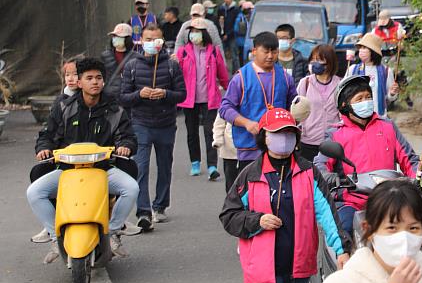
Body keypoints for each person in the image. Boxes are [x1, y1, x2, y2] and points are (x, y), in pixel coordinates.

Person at [220, 107, 349, 283]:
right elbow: (229, 215)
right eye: (278, 133)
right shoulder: (249, 175)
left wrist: (341, 249)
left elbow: (328, 213)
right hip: (262, 266)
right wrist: (257, 221)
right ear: (264, 136)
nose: (284, 138)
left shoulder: (309, 172)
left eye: (289, 133)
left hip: (299, 264)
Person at [28, 57, 140, 262]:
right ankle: (55, 236)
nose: (95, 82)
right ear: (79, 82)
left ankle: (113, 231)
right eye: (89, 78)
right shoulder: (63, 108)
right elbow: (47, 135)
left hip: (103, 170)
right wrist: (44, 149)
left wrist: (126, 146)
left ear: (103, 82)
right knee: (35, 192)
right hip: (67, 171)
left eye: (99, 78)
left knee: (131, 188)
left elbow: (128, 136)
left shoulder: (115, 110)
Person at [313, 75, 420, 233]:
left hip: (388, 198)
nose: (366, 101)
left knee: (412, 230)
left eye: (368, 97)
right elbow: (320, 165)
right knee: (345, 228)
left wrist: (420, 177)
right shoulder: (335, 134)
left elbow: (409, 159)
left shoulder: (388, 127)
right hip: (351, 201)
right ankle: (344, 257)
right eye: (359, 99)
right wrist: (330, 177)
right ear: (345, 105)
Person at [119, 24, 186, 231]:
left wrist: (165, 94)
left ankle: (160, 206)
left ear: (162, 41)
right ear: (141, 40)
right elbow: (123, 97)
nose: (152, 44)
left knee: (165, 166)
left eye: (156, 40)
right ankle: (143, 212)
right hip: (140, 124)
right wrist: (140, 94)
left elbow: (182, 94)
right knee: (141, 167)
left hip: (166, 124)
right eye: (148, 39)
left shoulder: (173, 66)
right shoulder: (131, 66)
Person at [219, 31, 298, 190]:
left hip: (280, 147)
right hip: (250, 146)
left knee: (279, 192)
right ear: (254, 51)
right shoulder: (241, 77)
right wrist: (246, 123)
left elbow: (294, 105)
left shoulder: (284, 76)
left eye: (274, 52)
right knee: (251, 191)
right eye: (266, 51)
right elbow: (225, 108)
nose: (270, 56)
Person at [29, 54, 83, 244]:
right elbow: (48, 131)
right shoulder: (59, 102)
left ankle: (117, 225)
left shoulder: (95, 100)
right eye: (67, 74)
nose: (71, 78)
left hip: (90, 158)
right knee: (39, 172)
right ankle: (52, 225)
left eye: (75, 74)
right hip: (64, 159)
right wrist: (44, 148)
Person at [175, 18, 230, 180]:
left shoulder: (213, 52)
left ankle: (212, 166)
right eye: (192, 32)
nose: (194, 35)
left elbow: (223, 74)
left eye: (197, 32)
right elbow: (176, 74)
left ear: (205, 34)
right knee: (191, 132)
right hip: (189, 99)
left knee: (210, 132)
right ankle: (195, 162)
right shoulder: (183, 52)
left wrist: (231, 92)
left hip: (210, 98)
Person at [296, 44, 341, 161]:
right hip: (308, 140)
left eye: (320, 60)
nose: (315, 63)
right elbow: (297, 112)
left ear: (330, 62)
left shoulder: (340, 84)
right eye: (313, 59)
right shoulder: (305, 83)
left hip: (333, 142)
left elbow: (342, 115)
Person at [344, 33, 398, 118]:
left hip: (379, 117)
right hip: (357, 118)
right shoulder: (353, 69)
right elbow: (343, 92)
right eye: (360, 48)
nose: (361, 50)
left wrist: (392, 93)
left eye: (365, 48)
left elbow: (391, 98)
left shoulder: (386, 71)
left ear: (373, 51)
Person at [101, 23, 136, 102]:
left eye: (119, 37)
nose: (115, 38)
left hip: (128, 96)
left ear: (128, 39)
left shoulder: (136, 57)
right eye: (114, 36)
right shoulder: (105, 56)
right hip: (109, 97)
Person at [212, 114, 238, 191]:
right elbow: (218, 125)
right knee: (230, 183)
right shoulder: (226, 105)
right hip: (229, 152)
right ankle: (231, 201)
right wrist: (218, 140)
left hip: (249, 152)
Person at [218, 0, 241, 72]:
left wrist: (228, 34)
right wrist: (222, 34)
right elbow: (219, 21)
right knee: (221, 54)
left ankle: (236, 72)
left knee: (234, 55)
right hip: (222, 34)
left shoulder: (236, 9)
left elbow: (236, 24)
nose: (227, 0)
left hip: (232, 35)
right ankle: (223, 71)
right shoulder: (221, 9)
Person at [235, 1, 254, 66]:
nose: (251, 11)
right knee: (242, 57)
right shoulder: (240, 18)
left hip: (249, 40)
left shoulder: (251, 18)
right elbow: (236, 29)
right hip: (241, 41)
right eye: (250, 9)